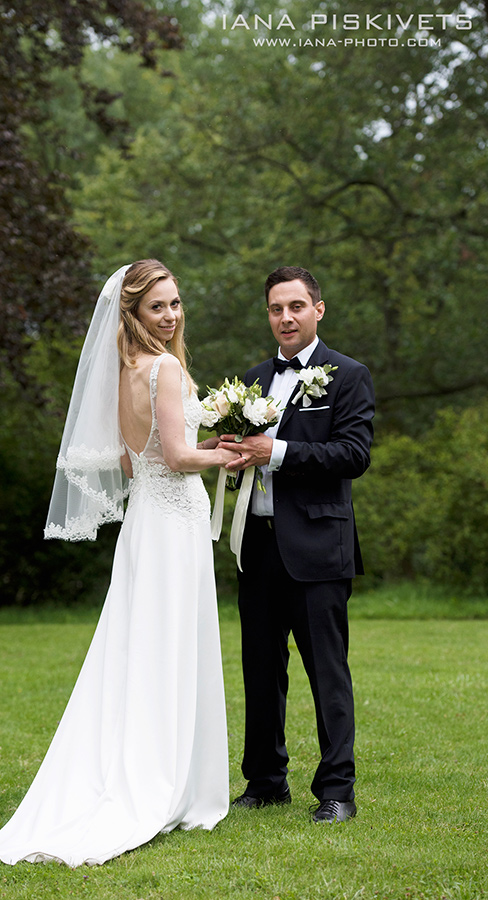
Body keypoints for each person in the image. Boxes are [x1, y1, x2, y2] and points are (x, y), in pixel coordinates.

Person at [0, 260, 240, 867]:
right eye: (157, 307)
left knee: (141, 645)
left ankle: (144, 766)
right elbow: (173, 454)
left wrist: (202, 444)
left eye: (174, 303)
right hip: (171, 522)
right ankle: (164, 782)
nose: (170, 316)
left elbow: (128, 461)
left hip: (147, 522)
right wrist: (228, 453)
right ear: (133, 314)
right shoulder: (165, 369)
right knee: (167, 646)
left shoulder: (124, 371)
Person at [218, 265, 374, 823]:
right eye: (275, 309)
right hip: (257, 548)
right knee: (260, 671)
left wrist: (276, 452)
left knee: (326, 672)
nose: (285, 317)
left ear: (318, 310)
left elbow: (353, 455)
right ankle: (264, 782)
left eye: (295, 307)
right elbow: (243, 450)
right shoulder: (253, 379)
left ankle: (337, 791)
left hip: (317, 549)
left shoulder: (348, 375)